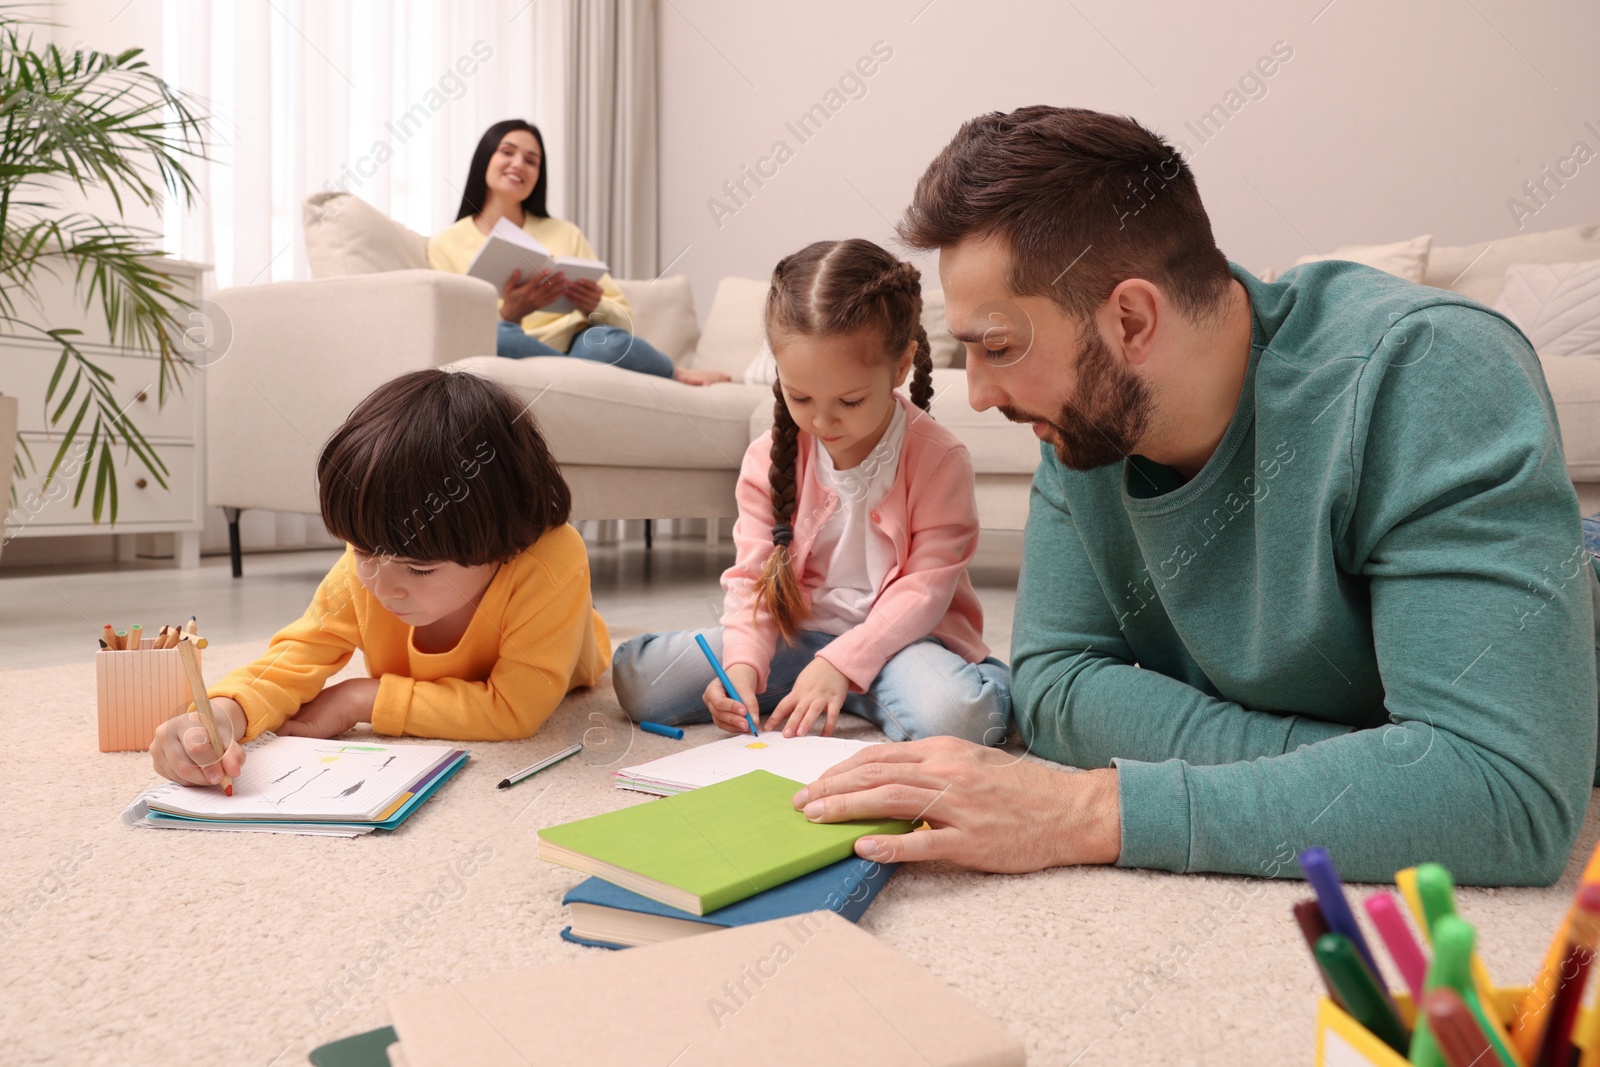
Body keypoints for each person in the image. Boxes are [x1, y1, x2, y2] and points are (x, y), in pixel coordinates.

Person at [792, 106, 1600, 886]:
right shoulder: (1082, 422)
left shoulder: (1432, 375)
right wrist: (1367, 765)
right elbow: (1055, 684)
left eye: (999, 346)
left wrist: (1097, 807)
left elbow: (1502, 792)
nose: (978, 394)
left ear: (1133, 320)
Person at [611, 239, 1011, 744]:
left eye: (849, 400)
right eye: (799, 396)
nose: (822, 420)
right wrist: (742, 669)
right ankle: (826, 690)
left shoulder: (940, 460)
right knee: (640, 680)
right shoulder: (768, 457)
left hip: (904, 645)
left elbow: (924, 592)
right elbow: (754, 579)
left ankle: (864, 686)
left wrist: (842, 665)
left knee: (964, 721)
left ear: (902, 366)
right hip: (794, 639)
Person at [149, 369, 611, 786]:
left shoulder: (551, 561)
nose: (383, 586)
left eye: (421, 568)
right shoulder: (370, 563)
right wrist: (226, 713)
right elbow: (298, 655)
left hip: (571, 663)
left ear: (503, 544)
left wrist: (360, 699)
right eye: (365, 552)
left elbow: (513, 710)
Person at [428, 119, 729, 386]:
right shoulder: (445, 243)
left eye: (531, 161)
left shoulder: (565, 233)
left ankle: (671, 371)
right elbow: (454, 328)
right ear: (484, 159)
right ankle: (575, 378)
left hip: (580, 345)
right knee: (500, 337)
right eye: (507, 152)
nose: (518, 164)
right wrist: (511, 313)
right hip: (512, 344)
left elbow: (623, 318)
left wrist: (594, 304)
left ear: (538, 176)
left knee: (606, 344)